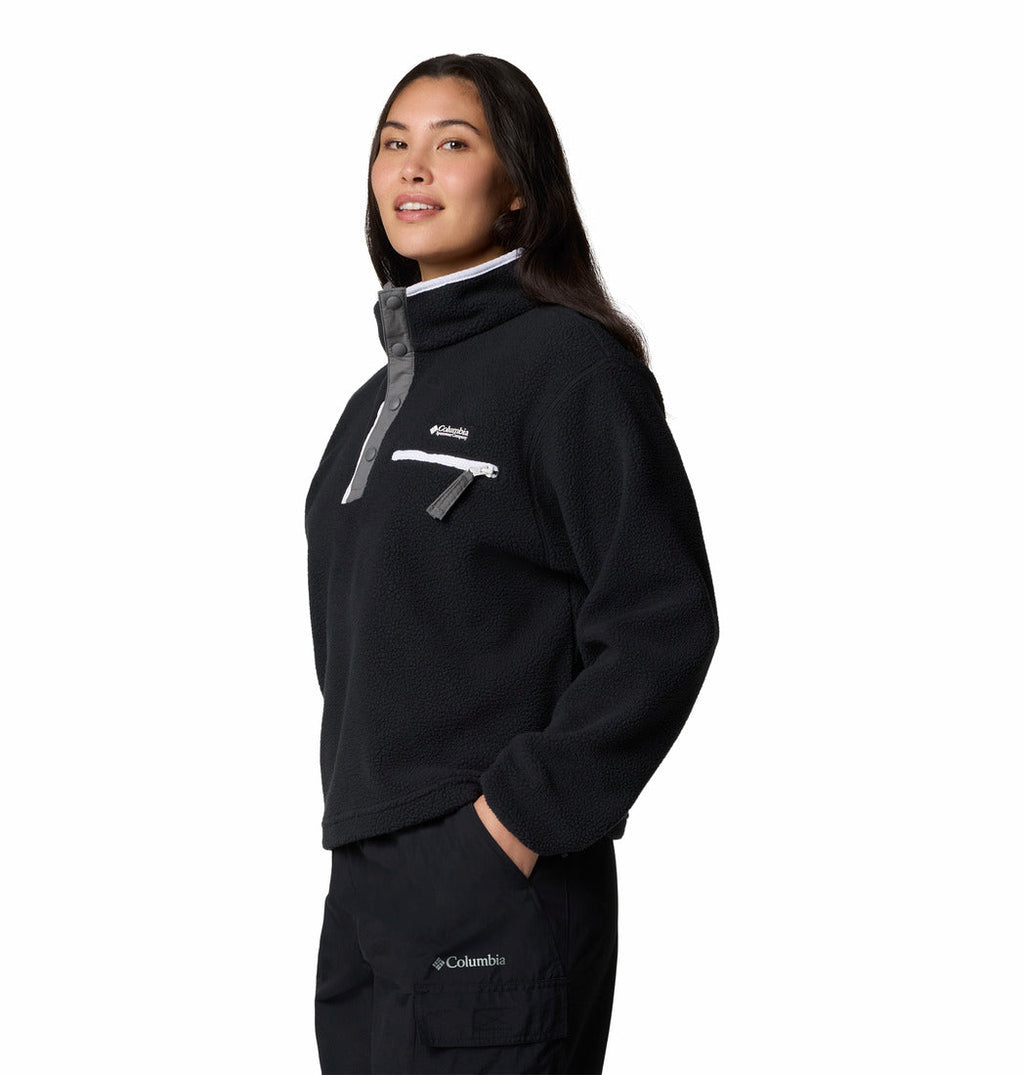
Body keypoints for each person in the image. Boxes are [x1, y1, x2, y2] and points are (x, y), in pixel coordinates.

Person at [306, 53, 720, 1075]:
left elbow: (662, 622)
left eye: (453, 143)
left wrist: (512, 825)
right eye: (393, 143)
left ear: (518, 188)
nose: (413, 167)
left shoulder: (570, 372)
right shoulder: (373, 404)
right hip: (364, 876)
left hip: (494, 867)